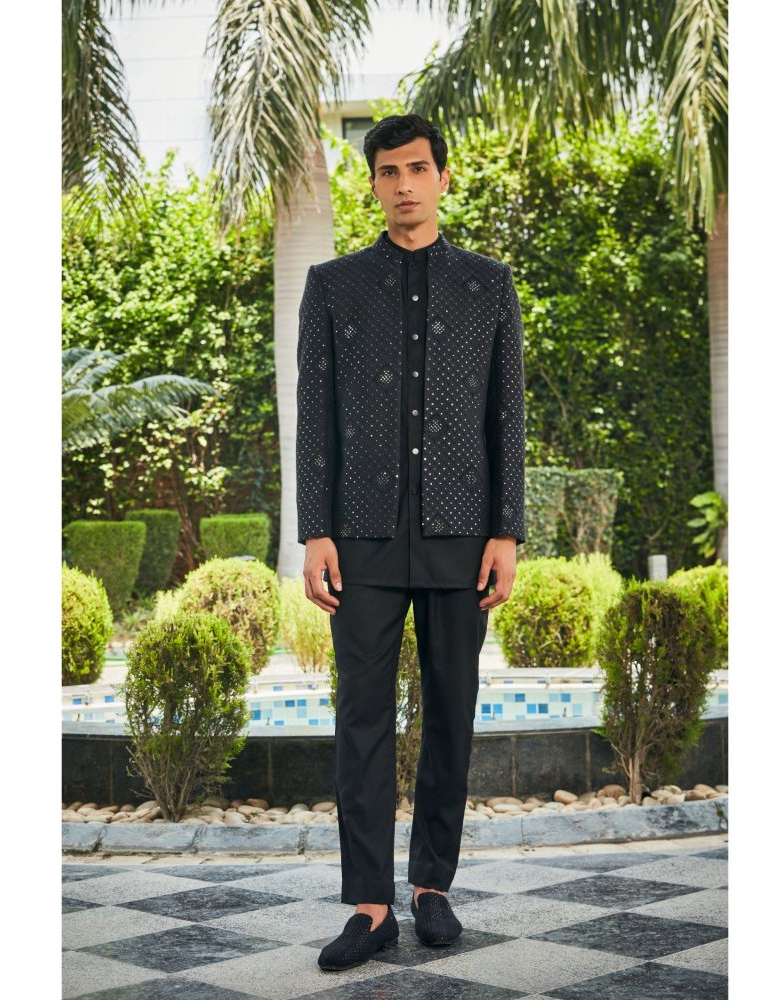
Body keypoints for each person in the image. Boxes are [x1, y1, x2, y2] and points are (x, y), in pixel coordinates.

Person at [295, 113, 527, 971]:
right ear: (373, 184)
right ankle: (369, 906)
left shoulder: (488, 284)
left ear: (443, 177)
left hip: (462, 535)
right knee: (360, 717)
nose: (404, 185)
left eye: (418, 169)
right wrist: (315, 531)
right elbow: (314, 416)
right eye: (389, 171)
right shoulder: (333, 286)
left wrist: (507, 530)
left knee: (451, 712)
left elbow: (508, 415)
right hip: (360, 537)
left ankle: (432, 887)